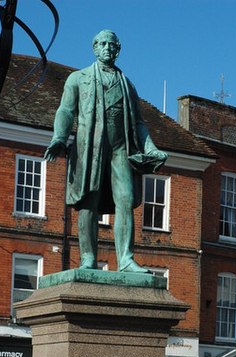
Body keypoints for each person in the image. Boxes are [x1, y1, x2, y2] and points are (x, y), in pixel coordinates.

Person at [44, 30, 167, 273]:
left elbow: (139, 123)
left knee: (126, 200)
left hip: (121, 149)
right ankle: (88, 258)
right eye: (102, 44)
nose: (107, 48)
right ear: (94, 48)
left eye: (112, 44)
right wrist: (59, 136)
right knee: (88, 201)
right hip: (90, 148)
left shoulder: (127, 84)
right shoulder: (78, 78)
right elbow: (66, 111)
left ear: (118, 49)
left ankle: (126, 260)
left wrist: (151, 148)